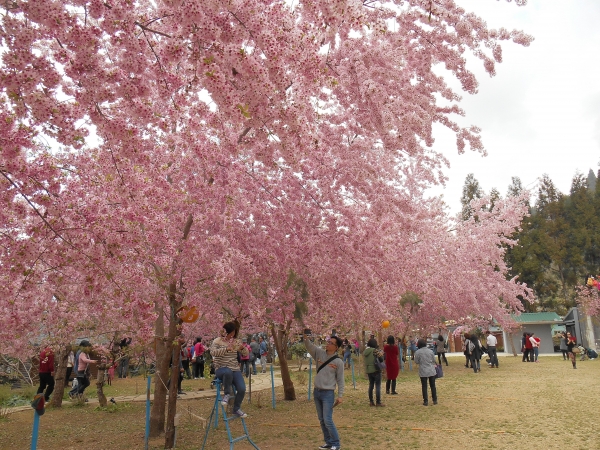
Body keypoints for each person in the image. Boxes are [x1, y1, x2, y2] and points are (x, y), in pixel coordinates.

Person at [303, 331, 344, 450]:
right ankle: (329, 442)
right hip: (317, 392)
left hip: (328, 393)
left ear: (336, 347)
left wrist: (340, 395)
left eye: (331, 343)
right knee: (321, 419)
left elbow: (340, 380)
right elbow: (310, 346)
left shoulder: (338, 362)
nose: (328, 344)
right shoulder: (319, 353)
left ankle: (336, 443)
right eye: (328, 342)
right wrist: (305, 338)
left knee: (327, 419)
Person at [210, 321, 249, 418]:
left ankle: (236, 409)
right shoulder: (217, 341)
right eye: (231, 333)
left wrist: (242, 348)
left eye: (234, 333)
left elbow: (246, 354)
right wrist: (226, 349)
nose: (233, 335)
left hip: (234, 368)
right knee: (227, 372)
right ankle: (226, 394)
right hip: (221, 368)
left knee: (242, 389)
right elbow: (213, 352)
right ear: (226, 332)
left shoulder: (236, 341)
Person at [414, 338, 437, 406]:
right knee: (433, 385)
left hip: (423, 370)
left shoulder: (417, 352)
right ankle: (434, 399)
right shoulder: (430, 351)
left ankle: (425, 401)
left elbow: (416, 361)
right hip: (431, 370)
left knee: (424, 386)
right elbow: (433, 360)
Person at [364, 338, 384, 407]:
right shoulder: (374, 351)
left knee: (371, 386)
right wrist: (381, 354)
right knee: (377, 386)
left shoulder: (366, 351)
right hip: (376, 370)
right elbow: (381, 359)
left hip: (369, 370)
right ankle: (378, 402)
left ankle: (371, 401)